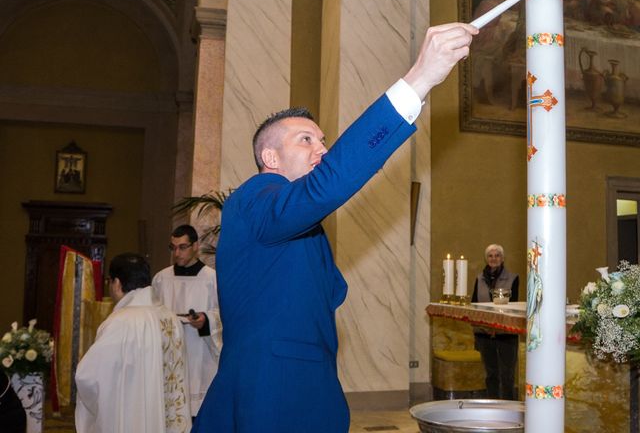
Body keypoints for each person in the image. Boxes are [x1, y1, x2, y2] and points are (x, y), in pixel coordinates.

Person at [192, 22, 476, 433]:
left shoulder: (292, 221)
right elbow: (331, 183)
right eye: (306, 140)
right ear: (270, 158)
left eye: (323, 140)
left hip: (306, 386)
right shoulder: (254, 196)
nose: (322, 149)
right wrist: (420, 79)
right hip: (274, 392)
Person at [75, 253, 191, 433]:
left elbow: (88, 377)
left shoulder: (120, 322)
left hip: (130, 419)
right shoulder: (170, 318)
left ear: (117, 283)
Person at [152, 225, 222, 418]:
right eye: (173, 247)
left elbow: (223, 314)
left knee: (196, 413)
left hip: (199, 354)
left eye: (182, 247)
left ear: (195, 246)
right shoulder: (161, 278)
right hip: (169, 354)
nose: (177, 253)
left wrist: (205, 320)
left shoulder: (212, 279)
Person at [471, 244, 520, 400]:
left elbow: (513, 305)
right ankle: (492, 406)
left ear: (502, 258)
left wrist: (496, 325)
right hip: (484, 333)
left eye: (497, 255)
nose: (494, 258)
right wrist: (484, 326)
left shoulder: (513, 278)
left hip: (506, 334)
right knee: (491, 374)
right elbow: (474, 303)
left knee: (507, 375)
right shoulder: (479, 278)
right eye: (490, 256)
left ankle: (509, 409)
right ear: (486, 258)